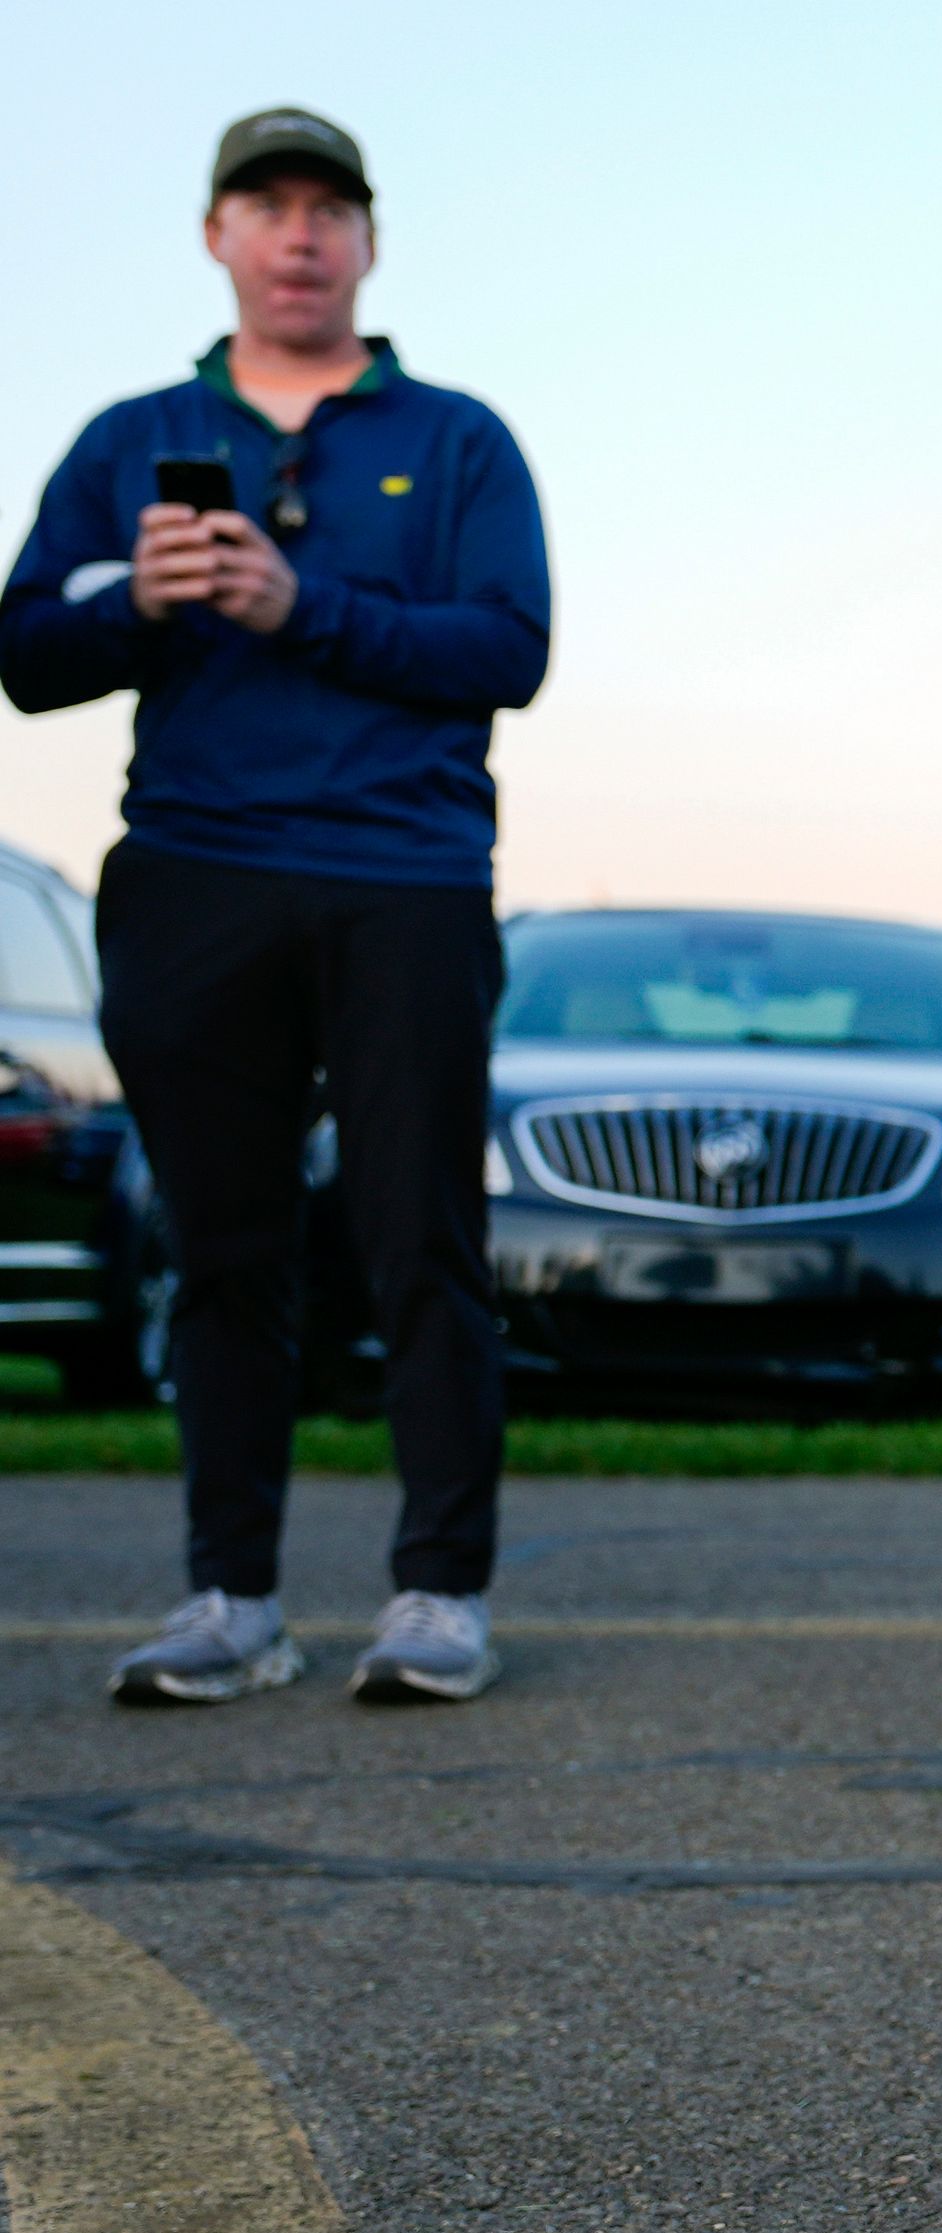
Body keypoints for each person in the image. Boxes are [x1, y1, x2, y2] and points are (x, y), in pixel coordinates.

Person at [1, 109, 547, 1710]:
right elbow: (27, 651)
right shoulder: (133, 436)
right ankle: (231, 1599)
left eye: (329, 209)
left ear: (366, 244)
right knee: (225, 1248)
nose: (300, 235)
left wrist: (305, 608)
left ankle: (439, 1592)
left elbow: (506, 652)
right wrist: (143, 607)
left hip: (404, 881)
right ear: (217, 237)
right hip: (195, 874)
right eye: (267, 205)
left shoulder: (455, 441)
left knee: (419, 1237)